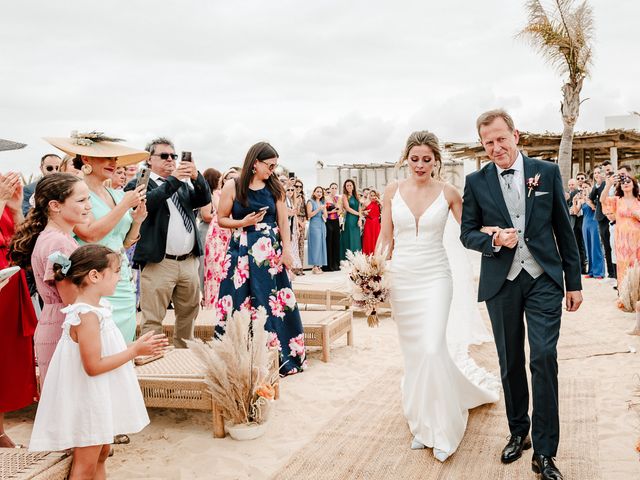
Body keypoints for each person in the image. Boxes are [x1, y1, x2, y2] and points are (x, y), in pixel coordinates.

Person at [461, 110, 582, 480]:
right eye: (488, 143)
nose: (496, 148)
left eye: (501, 139)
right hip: (503, 281)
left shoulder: (545, 173)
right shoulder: (476, 181)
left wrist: (573, 282)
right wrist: (493, 239)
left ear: (516, 134)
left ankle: (545, 452)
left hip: (544, 276)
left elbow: (564, 228)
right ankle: (519, 432)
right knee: (510, 359)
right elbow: (467, 233)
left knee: (543, 357)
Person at [377, 130, 498, 462]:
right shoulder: (391, 191)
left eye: (426, 159)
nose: (419, 165)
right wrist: (372, 274)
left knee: (432, 347)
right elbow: (385, 237)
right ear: (406, 158)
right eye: (414, 159)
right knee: (415, 355)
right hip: (401, 279)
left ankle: (444, 427)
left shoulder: (449, 193)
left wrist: (494, 234)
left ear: (436, 161)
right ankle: (421, 422)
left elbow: (469, 230)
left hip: (435, 278)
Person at [29, 244, 167, 479]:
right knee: (85, 464)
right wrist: (134, 351)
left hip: (97, 394)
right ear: (94, 275)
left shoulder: (98, 309)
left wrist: (134, 348)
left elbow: (104, 350)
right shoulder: (86, 316)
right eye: (115, 271)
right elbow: (93, 366)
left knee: (102, 452)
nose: (120, 277)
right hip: (86, 399)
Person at [45, 132, 149, 343]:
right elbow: (89, 234)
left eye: (115, 159)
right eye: (107, 158)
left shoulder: (118, 194)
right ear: (86, 159)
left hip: (121, 277)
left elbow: (124, 242)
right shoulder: (77, 194)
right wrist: (124, 207)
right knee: (99, 343)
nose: (113, 163)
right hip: (94, 276)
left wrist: (137, 220)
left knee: (122, 342)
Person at [215, 142, 306, 375]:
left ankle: (280, 355)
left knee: (272, 301)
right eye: (270, 165)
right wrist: (243, 223)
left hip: (270, 251)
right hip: (241, 250)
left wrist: (287, 251)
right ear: (255, 162)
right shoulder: (233, 186)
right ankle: (239, 355)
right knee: (239, 300)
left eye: (275, 166)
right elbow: (221, 219)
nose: (273, 170)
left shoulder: (275, 187)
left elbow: (283, 222)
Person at [125, 137, 211, 348]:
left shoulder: (180, 184)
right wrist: (174, 180)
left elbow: (203, 199)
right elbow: (149, 203)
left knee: (189, 313)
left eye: (173, 156)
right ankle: (152, 359)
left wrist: (195, 176)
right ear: (149, 160)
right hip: (158, 262)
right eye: (164, 156)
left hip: (188, 261)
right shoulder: (140, 182)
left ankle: (183, 353)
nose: (170, 159)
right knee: (153, 317)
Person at [10, 173, 92, 389]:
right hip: (63, 327)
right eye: (81, 200)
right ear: (55, 205)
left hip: (54, 321)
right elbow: (70, 298)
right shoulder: (59, 244)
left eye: (88, 199)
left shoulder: (54, 237)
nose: (88, 206)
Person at [0, 139, 38, 449]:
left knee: (5, 357)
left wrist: (14, 208)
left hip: (8, 280)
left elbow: (17, 244)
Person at [602, 169, 640, 309]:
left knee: (637, 268)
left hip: (638, 240)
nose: (626, 184)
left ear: (634, 184)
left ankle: (637, 300)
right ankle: (625, 299)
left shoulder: (639, 200)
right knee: (624, 267)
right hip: (623, 241)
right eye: (623, 182)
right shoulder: (617, 200)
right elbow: (602, 200)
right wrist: (608, 185)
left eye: (628, 181)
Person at [203, 168, 238, 309]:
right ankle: (212, 305)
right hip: (218, 235)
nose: (232, 180)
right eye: (229, 177)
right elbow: (221, 211)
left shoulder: (241, 196)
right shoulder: (218, 193)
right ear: (223, 180)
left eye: (235, 178)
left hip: (232, 234)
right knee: (215, 270)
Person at [198, 168, 222, 301]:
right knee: (205, 263)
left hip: (216, 232)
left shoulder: (216, 194)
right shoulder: (207, 195)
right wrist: (221, 215)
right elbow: (206, 215)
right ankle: (205, 294)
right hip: (206, 231)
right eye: (218, 179)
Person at [572, 182, 605, 278]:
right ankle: (591, 271)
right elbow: (575, 211)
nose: (584, 189)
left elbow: (595, 208)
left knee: (596, 247)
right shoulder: (582, 199)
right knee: (588, 248)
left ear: (591, 187)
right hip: (585, 224)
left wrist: (587, 200)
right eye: (583, 187)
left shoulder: (594, 197)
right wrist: (575, 201)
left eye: (586, 187)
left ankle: (599, 272)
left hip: (594, 223)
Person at [590, 161, 616, 279]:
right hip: (602, 217)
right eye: (604, 171)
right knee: (606, 245)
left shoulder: (615, 182)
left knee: (615, 244)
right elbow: (591, 197)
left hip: (615, 217)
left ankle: (616, 272)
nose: (606, 172)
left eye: (608, 170)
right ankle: (611, 273)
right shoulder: (599, 184)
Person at [568, 174, 588, 273]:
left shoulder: (586, 190)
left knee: (582, 246)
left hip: (584, 220)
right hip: (575, 221)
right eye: (578, 178)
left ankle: (583, 268)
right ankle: (579, 268)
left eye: (582, 178)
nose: (580, 180)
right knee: (577, 245)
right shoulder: (572, 193)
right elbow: (570, 207)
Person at [306, 186, 328, 274]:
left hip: (322, 224)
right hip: (314, 225)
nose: (319, 193)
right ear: (314, 192)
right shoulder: (310, 202)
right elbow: (309, 215)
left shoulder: (322, 202)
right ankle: (314, 266)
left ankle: (319, 265)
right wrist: (319, 209)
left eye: (321, 192)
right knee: (315, 245)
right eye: (317, 191)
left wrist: (324, 209)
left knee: (321, 245)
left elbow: (326, 216)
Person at [340, 179, 362, 259]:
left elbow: (359, 208)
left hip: (356, 220)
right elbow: (347, 208)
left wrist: (360, 218)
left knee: (356, 239)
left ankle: (357, 259)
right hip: (349, 219)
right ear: (345, 187)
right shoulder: (345, 196)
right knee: (349, 238)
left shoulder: (357, 196)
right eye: (347, 185)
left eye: (350, 185)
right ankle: (348, 259)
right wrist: (358, 214)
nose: (349, 187)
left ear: (353, 186)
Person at [323, 182, 341, 271]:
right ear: (329, 189)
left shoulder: (338, 198)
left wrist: (338, 210)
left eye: (335, 188)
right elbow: (324, 212)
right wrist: (332, 211)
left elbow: (340, 211)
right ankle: (329, 265)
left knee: (336, 242)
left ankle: (336, 264)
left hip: (336, 221)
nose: (334, 190)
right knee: (329, 242)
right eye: (332, 188)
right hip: (328, 221)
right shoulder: (326, 198)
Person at [293, 179, 307, 275]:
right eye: (296, 186)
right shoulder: (292, 197)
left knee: (301, 245)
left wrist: (304, 222)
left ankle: (300, 269)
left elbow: (305, 212)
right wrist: (299, 222)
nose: (298, 188)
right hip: (294, 220)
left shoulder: (303, 198)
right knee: (295, 245)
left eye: (300, 186)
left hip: (303, 220)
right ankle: (294, 268)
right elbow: (294, 212)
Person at [362, 188, 382, 255]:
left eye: (374, 195)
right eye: (371, 195)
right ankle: (368, 255)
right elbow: (360, 211)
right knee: (368, 240)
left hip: (376, 224)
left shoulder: (378, 203)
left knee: (377, 239)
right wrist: (364, 212)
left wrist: (379, 201)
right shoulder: (366, 202)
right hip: (369, 223)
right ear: (369, 195)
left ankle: (377, 255)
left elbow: (384, 209)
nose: (373, 197)